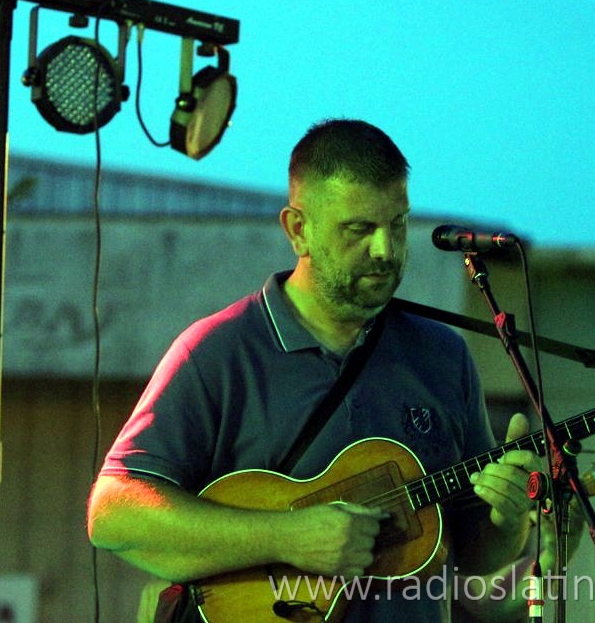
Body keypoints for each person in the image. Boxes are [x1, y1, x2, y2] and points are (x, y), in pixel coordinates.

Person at [87, 118, 551, 622]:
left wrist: (507, 522)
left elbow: (469, 553)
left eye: (397, 225)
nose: (385, 251)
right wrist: (287, 537)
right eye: (359, 229)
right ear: (297, 230)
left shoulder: (443, 356)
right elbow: (112, 513)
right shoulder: (218, 352)